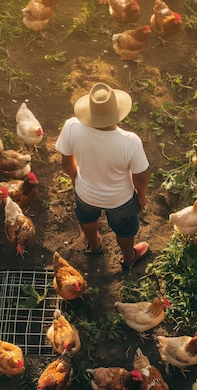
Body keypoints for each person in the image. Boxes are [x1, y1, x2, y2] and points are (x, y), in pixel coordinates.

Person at [55, 82, 150, 268]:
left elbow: (66, 161)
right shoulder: (130, 142)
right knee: (125, 230)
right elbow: (140, 176)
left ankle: (95, 245)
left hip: (86, 194)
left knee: (87, 219)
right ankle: (129, 257)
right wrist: (142, 196)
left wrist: (76, 179)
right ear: (117, 111)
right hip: (120, 200)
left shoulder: (72, 126)